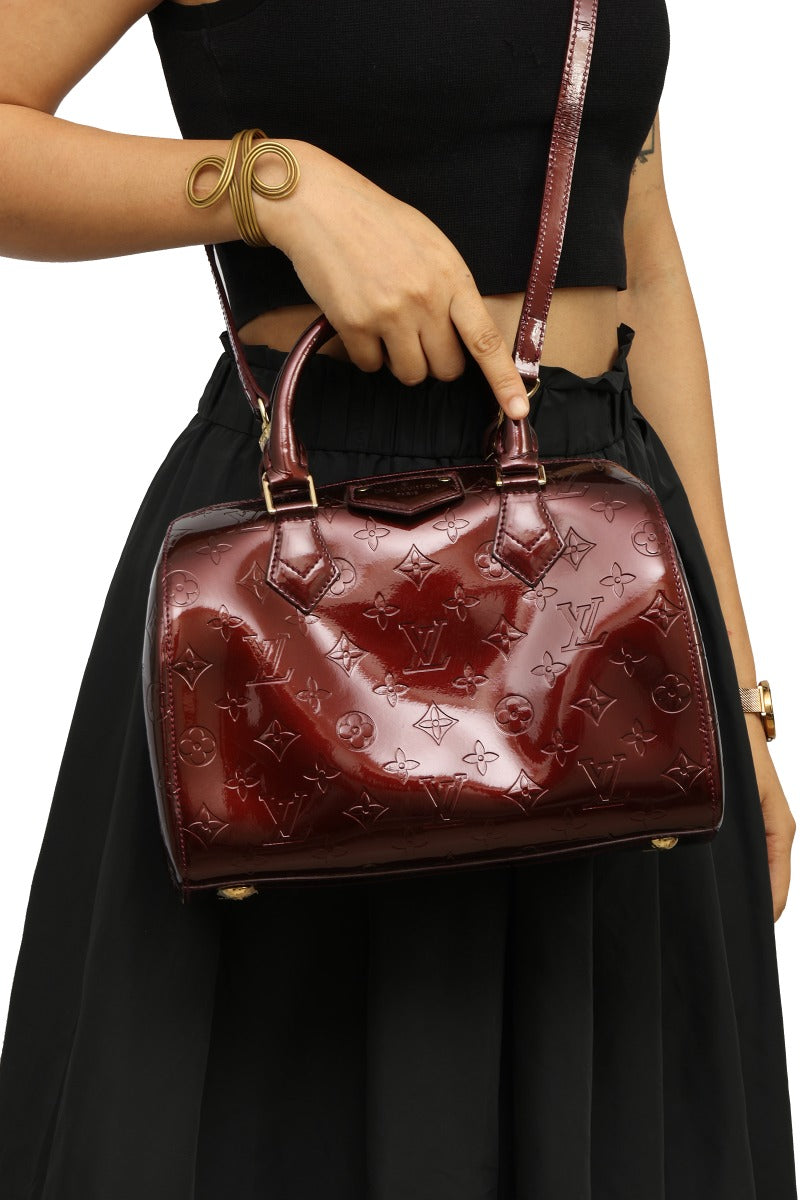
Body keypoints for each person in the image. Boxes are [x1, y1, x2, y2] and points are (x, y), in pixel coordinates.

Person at [0, 0, 796, 1196]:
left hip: (604, 610)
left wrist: (732, 689)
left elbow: (642, 246)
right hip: (294, 586)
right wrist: (272, 190)